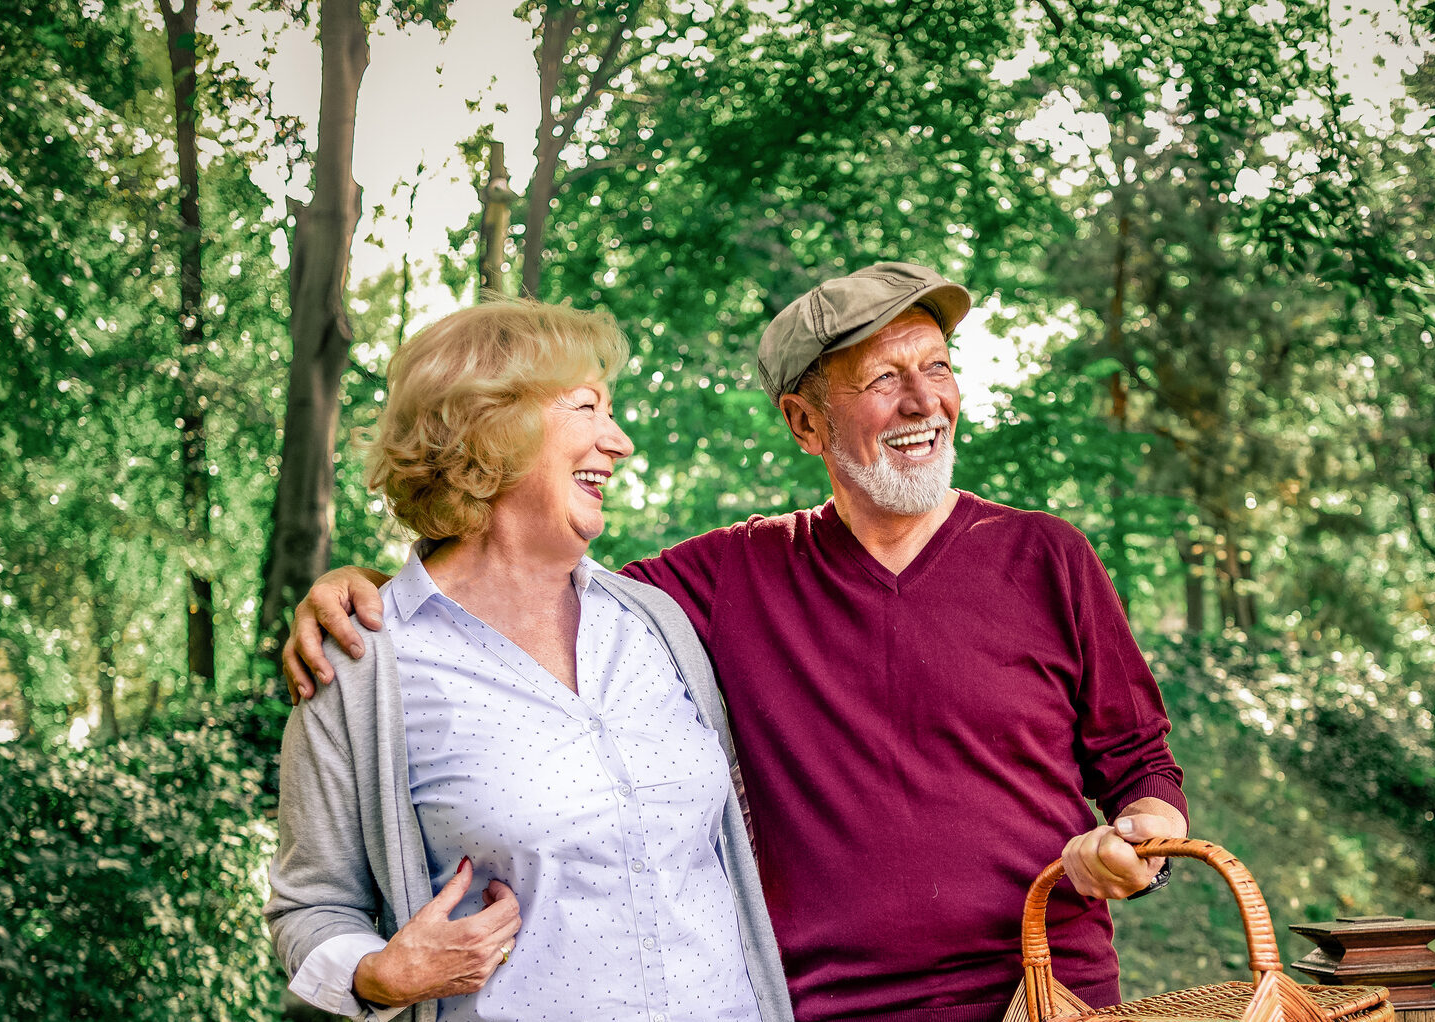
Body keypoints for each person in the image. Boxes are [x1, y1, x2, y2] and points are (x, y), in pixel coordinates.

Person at [287, 263, 1189, 1022]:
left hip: (1045, 994)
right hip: (828, 1006)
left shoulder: (1044, 557)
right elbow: (499, 583)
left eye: (939, 366)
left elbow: (1139, 760)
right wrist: (358, 583)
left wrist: (1137, 846)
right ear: (805, 423)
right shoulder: (713, 588)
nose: (925, 399)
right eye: (883, 378)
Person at [265, 300, 794, 1022]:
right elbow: (311, 906)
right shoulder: (362, 666)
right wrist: (377, 976)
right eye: (588, 407)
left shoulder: (656, 624)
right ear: (492, 429)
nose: (622, 441)